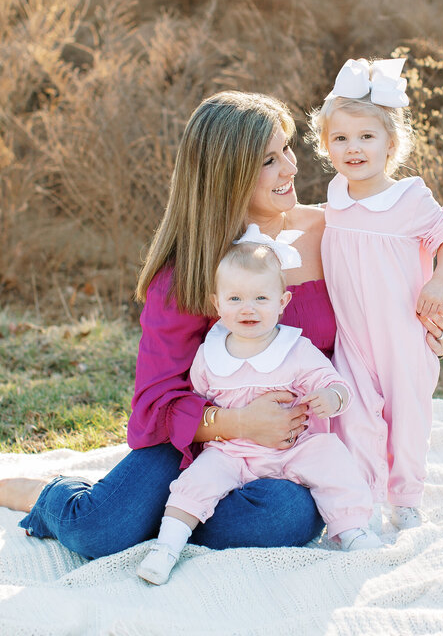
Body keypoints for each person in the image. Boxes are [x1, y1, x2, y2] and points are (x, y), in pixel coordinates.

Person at [0, 90, 443, 560]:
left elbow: (383, 314)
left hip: (291, 448)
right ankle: (55, 497)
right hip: (200, 443)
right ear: (227, 176)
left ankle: (173, 515)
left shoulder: (334, 231)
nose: (292, 168)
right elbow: (152, 409)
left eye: (288, 149)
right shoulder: (185, 272)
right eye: (268, 161)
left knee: (282, 516)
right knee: (100, 531)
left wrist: (425, 328)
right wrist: (238, 423)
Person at [137, 240, 381, 585]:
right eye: (235, 299)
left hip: (293, 448)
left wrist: (332, 396)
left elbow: (333, 381)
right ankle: (166, 547)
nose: (247, 308)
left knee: (331, 457)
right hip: (231, 451)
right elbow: (200, 399)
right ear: (216, 303)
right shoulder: (209, 356)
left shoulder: (295, 349)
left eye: (260, 299)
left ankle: (351, 529)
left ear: (282, 303)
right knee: (195, 482)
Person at [310, 58, 443, 531]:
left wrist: (438, 283)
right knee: (353, 418)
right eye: (340, 138)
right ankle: (365, 501)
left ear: (390, 144)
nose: (353, 148)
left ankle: (406, 498)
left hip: (402, 333)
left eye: (366, 137)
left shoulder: (409, 200)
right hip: (354, 339)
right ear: (326, 146)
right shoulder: (334, 201)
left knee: (408, 416)